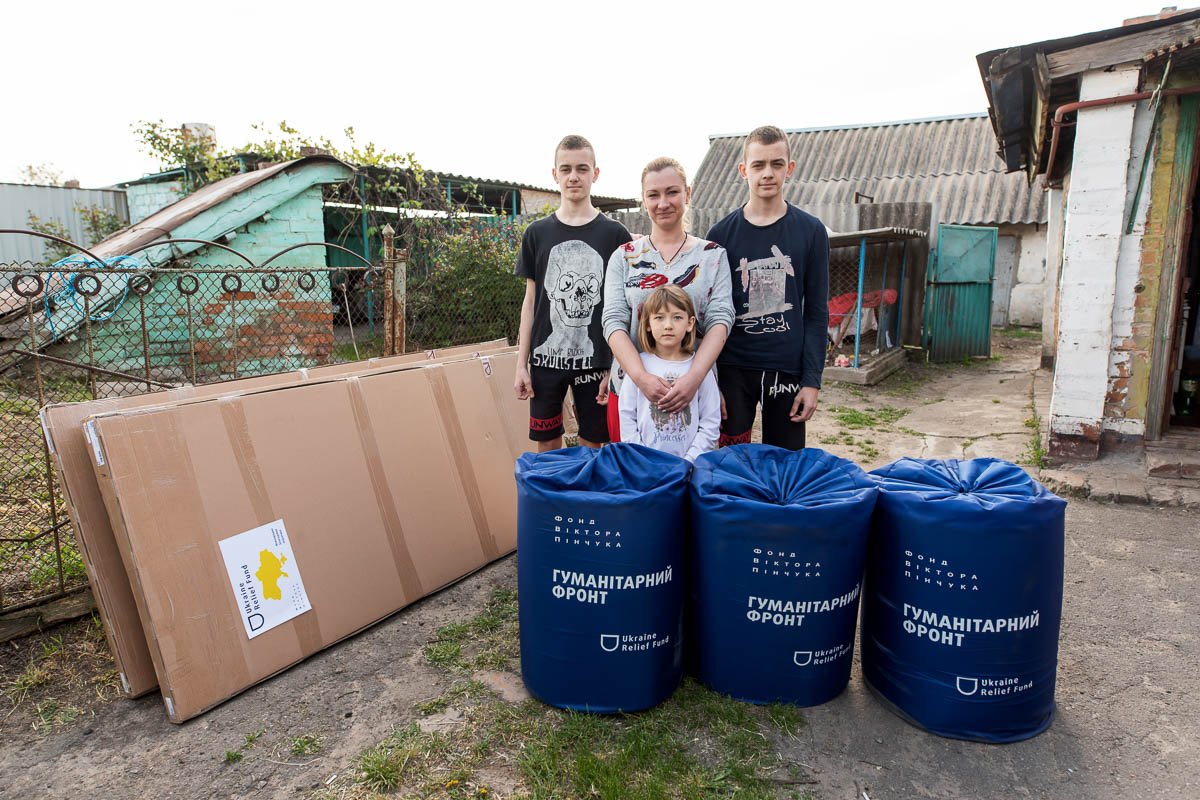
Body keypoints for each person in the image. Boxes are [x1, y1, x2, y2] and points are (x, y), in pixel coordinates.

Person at [705, 125, 829, 450]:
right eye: (758, 165)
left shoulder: (811, 232)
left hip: (786, 370)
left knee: (785, 465)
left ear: (790, 168)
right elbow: (709, 311)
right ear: (744, 170)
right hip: (732, 369)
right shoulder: (720, 235)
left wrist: (812, 381)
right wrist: (710, 381)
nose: (767, 173)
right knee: (731, 463)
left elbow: (816, 311)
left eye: (776, 164)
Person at [514, 135, 632, 451]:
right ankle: (555, 502)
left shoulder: (615, 235)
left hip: (598, 364)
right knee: (547, 447)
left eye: (582, 168)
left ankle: (590, 502)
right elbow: (530, 302)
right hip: (545, 363)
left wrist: (617, 365)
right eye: (565, 169)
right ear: (555, 174)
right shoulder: (536, 234)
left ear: (595, 173)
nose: (573, 176)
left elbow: (623, 306)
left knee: (596, 446)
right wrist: (521, 363)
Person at [602, 157, 734, 442]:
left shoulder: (712, 256)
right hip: (630, 392)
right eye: (653, 194)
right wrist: (641, 378)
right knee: (633, 478)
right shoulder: (624, 257)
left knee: (689, 477)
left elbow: (720, 320)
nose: (663, 202)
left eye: (672, 192)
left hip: (693, 391)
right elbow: (612, 322)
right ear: (643, 200)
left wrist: (695, 379)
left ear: (688, 193)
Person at [618, 285, 720, 461]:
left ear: (690, 323)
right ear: (648, 324)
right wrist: (643, 459)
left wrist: (690, 461)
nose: (668, 325)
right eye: (659, 318)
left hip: (690, 469)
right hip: (644, 466)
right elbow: (627, 418)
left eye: (677, 317)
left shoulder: (700, 370)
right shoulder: (639, 367)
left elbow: (710, 423)